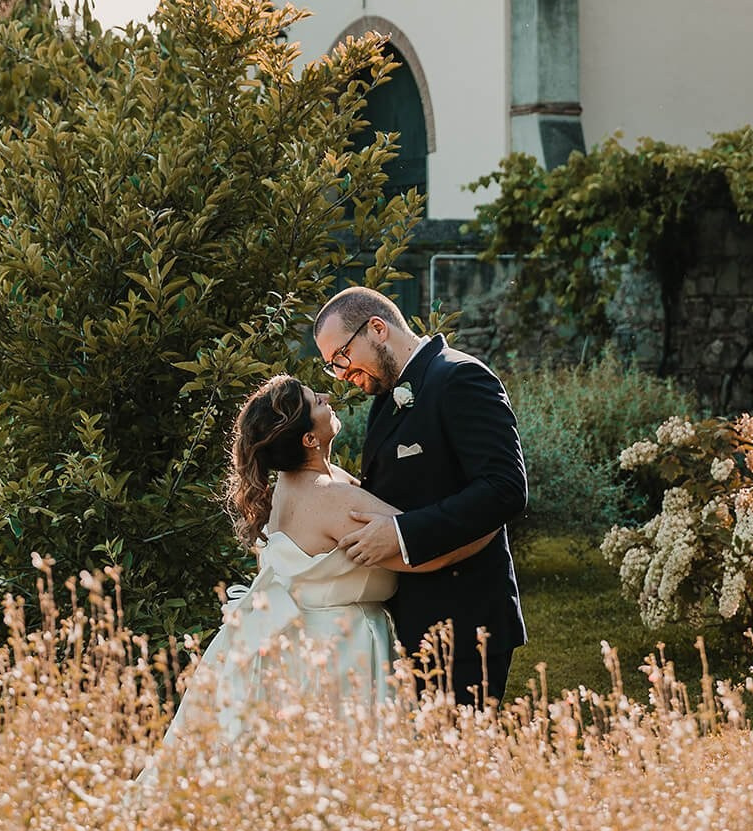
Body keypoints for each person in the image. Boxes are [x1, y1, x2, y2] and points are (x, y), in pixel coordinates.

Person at [155, 374, 492, 750]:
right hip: (340, 652)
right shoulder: (330, 497)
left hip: (303, 642)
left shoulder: (287, 484)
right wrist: (489, 522)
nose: (327, 396)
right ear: (309, 439)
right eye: (316, 401)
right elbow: (429, 553)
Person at [313, 286, 528, 707]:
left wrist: (401, 535)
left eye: (341, 357)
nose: (340, 374)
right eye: (331, 367)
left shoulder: (459, 378)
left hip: (465, 623)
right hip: (410, 620)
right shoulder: (385, 399)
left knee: (457, 761)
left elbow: (504, 488)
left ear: (377, 329)